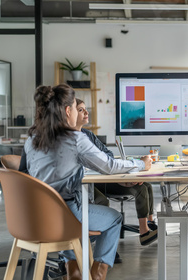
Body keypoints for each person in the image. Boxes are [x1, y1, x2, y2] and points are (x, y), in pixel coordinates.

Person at [23, 84, 152, 280]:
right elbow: (108, 165)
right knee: (113, 219)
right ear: (68, 111)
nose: (78, 112)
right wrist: (141, 164)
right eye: (76, 108)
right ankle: (98, 274)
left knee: (70, 216)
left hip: (34, 217)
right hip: (65, 217)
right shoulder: (75, 138)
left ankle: (73, 270)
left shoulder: (32, 137)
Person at [74, 99, 158, 246]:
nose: (87, 112)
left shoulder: (88, 135)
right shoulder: (72, 140)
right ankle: (105, 244)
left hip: (104, 176)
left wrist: (101, 163)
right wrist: (99, 163)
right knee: (102, 202)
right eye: (81, 110)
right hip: (91, 183)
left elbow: (108, 156)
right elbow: (105, 162)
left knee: (144, 185)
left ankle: (149, 225)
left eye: (85, 109)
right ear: (70, 113)